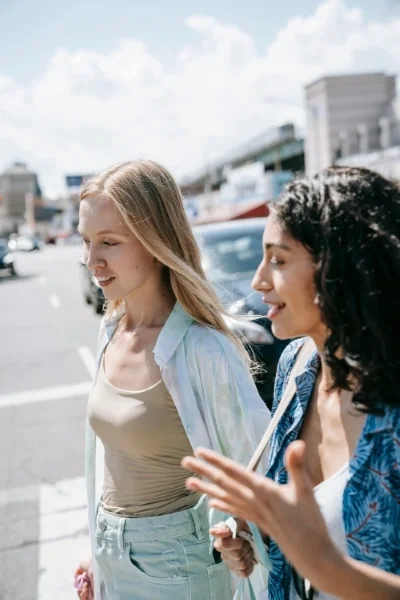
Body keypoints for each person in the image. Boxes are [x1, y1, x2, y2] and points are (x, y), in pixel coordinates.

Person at [182, 166, 400, 599]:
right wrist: (254, 535)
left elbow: (324, 552)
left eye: (278, 260)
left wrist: (324, 565)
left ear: (339, 268)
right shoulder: (298, 365)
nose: (258, 280)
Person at [74, 160, 270, 600]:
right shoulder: (110, 330)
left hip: (177, 566)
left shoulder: (202, 348)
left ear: (155, 241)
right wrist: (100, 554)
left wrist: (241, 535)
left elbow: (256, 461)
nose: (92, 260)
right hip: (112, 552)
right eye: (87, 242)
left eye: (109, 242)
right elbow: (116, 465)